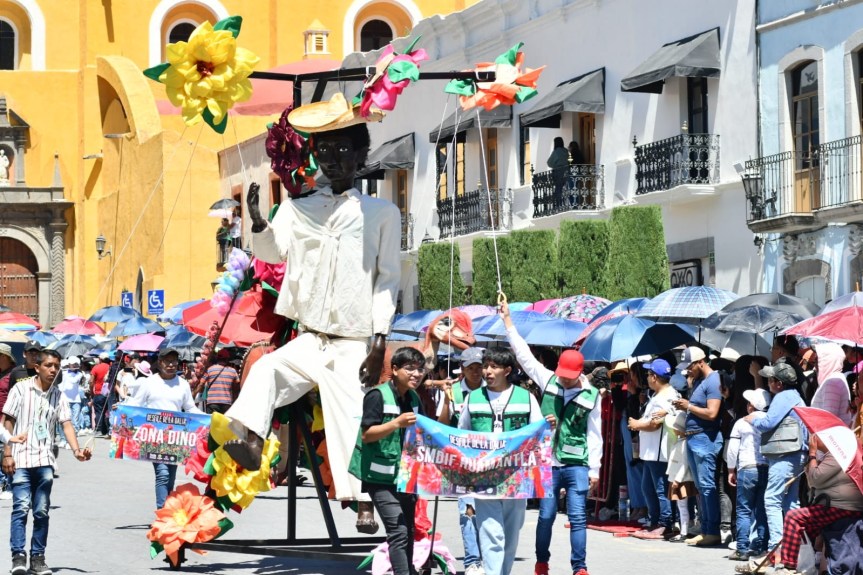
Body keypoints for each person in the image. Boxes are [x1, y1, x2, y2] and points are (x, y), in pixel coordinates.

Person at [222, 95, 400, 514]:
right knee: (265, 369)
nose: (333, 159)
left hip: (353, 341)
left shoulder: (381, 213)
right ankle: (248, 437)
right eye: (324, 152)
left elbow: (388, 281)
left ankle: (362, 502)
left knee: (351, 413)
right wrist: (260, 222)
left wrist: (378, 339)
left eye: (342, 151)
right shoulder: (296, 210)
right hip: (311, 337)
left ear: (360, 156)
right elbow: (274, 253)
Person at [501, 301, 600, 575]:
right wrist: (508, 323)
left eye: (570, 377)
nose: (565, 381)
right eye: (562, 376)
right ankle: (541, 561)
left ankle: (579, 567)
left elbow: (595, 434)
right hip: (546, 462)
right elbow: (524, 357)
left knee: (578, 517)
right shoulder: (549, 380)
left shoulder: (592, 395)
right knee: (546, 516)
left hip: (577, 461)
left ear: (580, 373)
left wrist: (595, 469)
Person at [458, 347, 547, 575]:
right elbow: (461, 435)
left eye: (493, 366)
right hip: (483, 478)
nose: (487, 371)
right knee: (490, 533)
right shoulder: (472, 398)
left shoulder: (526, 398)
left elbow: (540, 433)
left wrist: (549, 427)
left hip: (516, 478)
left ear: (507, 370)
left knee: (510, 533)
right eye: (486, 365)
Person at [2, 349, 90, 575]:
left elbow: (67, 423)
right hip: (20, 458)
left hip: (44, 460)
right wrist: (7, 453)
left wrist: (76, 451)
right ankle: (18, 557)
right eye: (49, 365)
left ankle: (38, 558)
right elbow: (8, 421)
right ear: (37, 367)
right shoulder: (20, 389)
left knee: (41, 511)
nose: (53, 370)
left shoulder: (58, 395)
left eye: (56, 366)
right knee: (21, 508)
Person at [348, 347, 425, 575]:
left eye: (420, 369)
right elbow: (367, 434)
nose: (416, 374)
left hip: (405, 477)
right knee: (398, 530)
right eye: (410, 368)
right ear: (394, 369)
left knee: (408, 530)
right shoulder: (377, 395)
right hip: (379, 477)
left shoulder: (413, 398)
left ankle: (407, 570)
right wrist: (396, 423)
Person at [735, 363, 807, 573]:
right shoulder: (794, 395)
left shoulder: (784, 396)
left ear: (778, 383)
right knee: (790, 502)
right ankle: (795, 551)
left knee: (772, 499)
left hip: (785, 455)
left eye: (770, 379)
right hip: (794, 454)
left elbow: (768, 422)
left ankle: (778, 551)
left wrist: (753, 419)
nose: (768, 383)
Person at [772, 436, 863, 575]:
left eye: (816, 437)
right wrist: (814, 463)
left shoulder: (838, 455)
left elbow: (815, 480)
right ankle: (813, 562)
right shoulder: (837, 455)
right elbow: (813, 482)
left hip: (840, 506)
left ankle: (789, 565)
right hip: (840, 505)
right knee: (809, 529)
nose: (812, 439)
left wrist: (812, 454)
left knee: (794, 517)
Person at [126, 348, 202, 509]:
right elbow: (136, 403)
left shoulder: (182, 384)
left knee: (171, 476)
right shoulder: (149, 382)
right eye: (168, 361)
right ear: (160, 363)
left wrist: (208, 418)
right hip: (155, 437)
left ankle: (168, 508)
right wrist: (120, 407)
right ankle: (162, 510)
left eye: (174, 361)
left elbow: (190, 408)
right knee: (163, 473)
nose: (171, 364)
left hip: (176, 437)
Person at [436, 347, 486, 575]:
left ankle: (488, 556)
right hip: (462, 463)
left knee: (487, 511)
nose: (475, 372)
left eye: (479, 368)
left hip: (488, 462)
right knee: (468, 511)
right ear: (462, 370)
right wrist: (447, 401)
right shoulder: (453, 390)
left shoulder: (492, 390)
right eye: (470, 368)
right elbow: (442, 424)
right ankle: (472, 561)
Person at [672, 346, 724, 547]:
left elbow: (712, 413)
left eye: (690, 366)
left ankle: (712, 531)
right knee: (702, 487)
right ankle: (706, 529)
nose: (687, 370)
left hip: (705, 438)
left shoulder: (713, 381)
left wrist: (689, 406)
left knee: (707, 486)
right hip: (695, 438)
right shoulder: (700, 381)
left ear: (701, 362)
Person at [628, 359, 679, 539]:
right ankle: (654, 520)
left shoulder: (665, 397)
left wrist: (636, 424)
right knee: (647, 488)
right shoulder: (663, 395)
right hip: (651, 452)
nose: (648, 377)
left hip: (659, 452)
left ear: (655, 377)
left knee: (660, 488)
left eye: (649, 374)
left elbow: (655, 424)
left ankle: (665, 523)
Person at [726, 388, 771, 562]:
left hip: (747, 468)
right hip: (765, 468)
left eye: (749, 403)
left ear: (752, 406)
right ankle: (762, 547)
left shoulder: (741, 422)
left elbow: (732, 449)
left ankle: (742, 549)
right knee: (762, 510)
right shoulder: (769, 421)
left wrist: (731, 469)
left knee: (743, 510)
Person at [810, 343, 854, 426]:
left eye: (818, 360)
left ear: (828, 360)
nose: (815, 365)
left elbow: (829, 419)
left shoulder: (832, 382)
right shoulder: (836, 378)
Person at [57, 358, 83, 437]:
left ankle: (73, 438)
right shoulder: (63, 373)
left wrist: (65, 373)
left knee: (75, 420)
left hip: (76, 400)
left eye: (75, 364)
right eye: (72, 364)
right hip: (65, 400)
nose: (73, 365)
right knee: (64, 420)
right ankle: (63, 439)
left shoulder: (79, 374)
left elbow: (73, 381)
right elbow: (60, 385)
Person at [89, 353, 112, 437]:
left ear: (100, 359)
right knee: (108, 411)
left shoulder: (96, 367)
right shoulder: (110, 367)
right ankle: (107, 429)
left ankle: (99, 429)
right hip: (109, 392)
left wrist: (91, 392)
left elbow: (91, 381)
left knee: (99, 411)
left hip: (99, 392)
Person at [547, 136, 569, 201]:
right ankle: (566, 202)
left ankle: (558, 204)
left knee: (558, 189)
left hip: (558, 172)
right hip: (566, 171)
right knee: (566, 188)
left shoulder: (556, 152)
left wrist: (555, 165)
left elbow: (549, 163)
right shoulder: (566, 151)